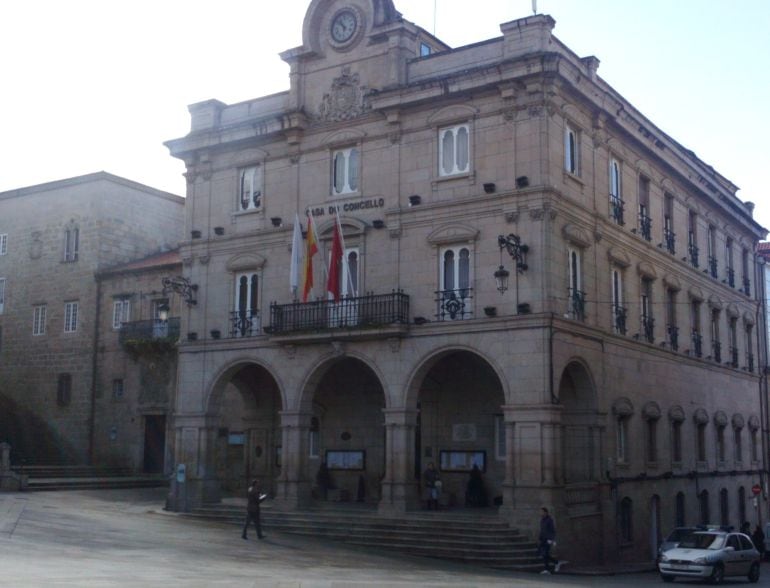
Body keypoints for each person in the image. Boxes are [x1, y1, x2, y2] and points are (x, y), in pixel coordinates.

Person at [538, 507, 566, 574]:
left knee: (545, 553)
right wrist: (540, 537)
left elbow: (552, 530)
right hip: (543, 539)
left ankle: (550, 567)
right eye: (540, 512)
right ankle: (554, 564)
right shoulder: (542, 520)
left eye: (542, 512)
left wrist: (551, 539)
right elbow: (542, 530)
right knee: (544, 554)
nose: (540, 513)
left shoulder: (549, 520)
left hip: (548, 539)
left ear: (545, 512)